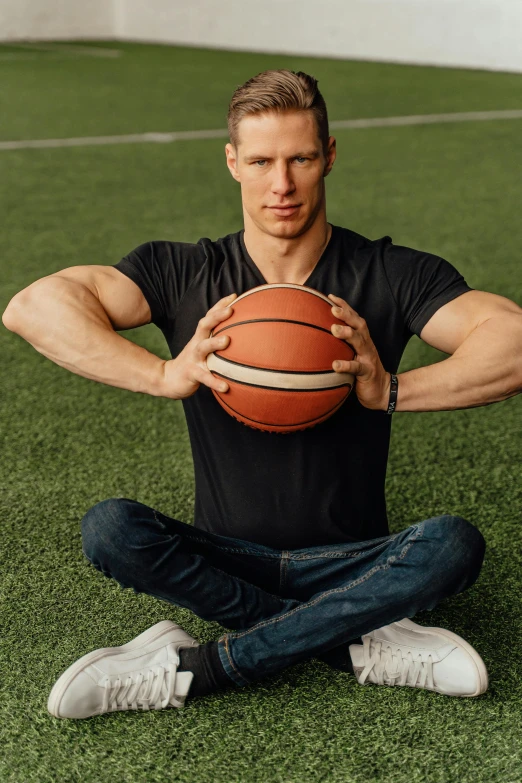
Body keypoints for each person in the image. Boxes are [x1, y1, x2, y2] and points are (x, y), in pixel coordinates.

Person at [3, 69, 522, 721]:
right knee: (112, 528)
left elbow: (512, 338)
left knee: (452, 545)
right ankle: (356, 638)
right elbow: (33, 305)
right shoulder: (185, 272)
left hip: (355, 559)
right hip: (228, 560)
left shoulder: (390, 273)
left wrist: (391, 388)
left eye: (301, 158)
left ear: (328, 155)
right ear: (232, 162)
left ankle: (201, 667)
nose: (282, 184)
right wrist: (164, 374)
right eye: (261, 161)